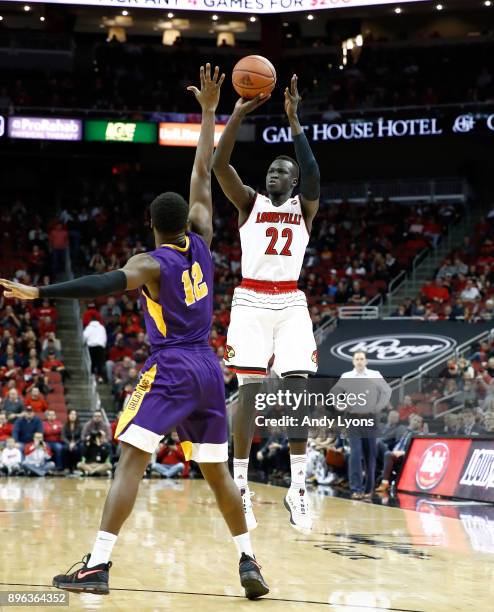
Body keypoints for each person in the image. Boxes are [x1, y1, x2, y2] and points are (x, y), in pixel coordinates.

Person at [0, 64, 268, 599]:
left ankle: (97, 565)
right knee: (217, 475)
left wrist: (41, 293)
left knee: (131, 461)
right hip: (210, 370)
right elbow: (201, 174)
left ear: (152, 225)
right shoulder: (203, 240)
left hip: (171, 366)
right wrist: (214, 111)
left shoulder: (150, 263)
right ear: (186, 222)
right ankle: (248, 559)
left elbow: (102, 283)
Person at [213, 74, 320, 532]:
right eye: (270, 171)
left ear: (293, 181)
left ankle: (297, 488)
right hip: (252, 300)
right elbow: (220, 165)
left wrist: (295, 122)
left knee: (298, 390)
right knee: (249, 395)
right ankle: (241, 483)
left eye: (282, 172)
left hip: (291, 301)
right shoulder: (249, 204)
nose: (273, 175)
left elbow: (315, 174)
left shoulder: (304, 208)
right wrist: (236, 113)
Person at [338, 351, 392, 500]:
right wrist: (342, 405)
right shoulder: (346, 376)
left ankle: (368, 490)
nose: (360, 361)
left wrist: (378, 407)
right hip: (353, 419)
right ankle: (356, 489)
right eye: (357, 359)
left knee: (370, 454)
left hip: (370, 418)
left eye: (362, 359)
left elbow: (387, 391)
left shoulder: (374, 374)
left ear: (366, 361)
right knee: (355, 453)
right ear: (353, 362)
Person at [83, 316, 108, 383]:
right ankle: (100, 378)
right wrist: (103, 345)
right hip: (100, 346)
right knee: (100, 363)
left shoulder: (89, 327)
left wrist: (84, 343)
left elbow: (85, 336)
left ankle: (92, 376)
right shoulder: (101, 327)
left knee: (92, 362)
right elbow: (104, 337)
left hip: (92, 346)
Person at [61, 409, 82, 473]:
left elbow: (81, 437)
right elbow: (63, 437)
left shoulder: (80, 426)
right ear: (68, 416)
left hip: (77, 443)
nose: (73, 416)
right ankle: (66, 467)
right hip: (67, 442)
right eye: (71, 414)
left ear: (76, 416)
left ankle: (76, 467)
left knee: (79, 449)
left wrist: (74, 443)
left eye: (74, 414)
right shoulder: (65, 425)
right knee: (64, 449)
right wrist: (69, 443)